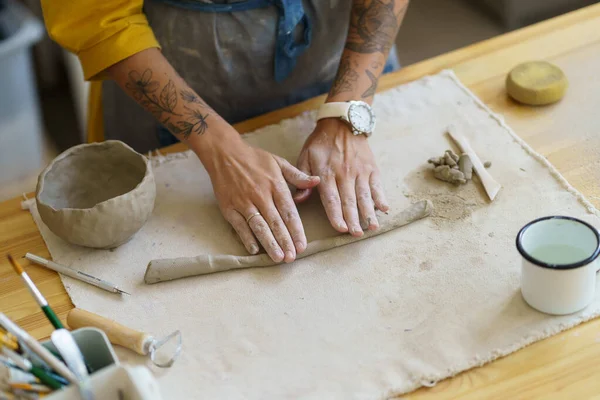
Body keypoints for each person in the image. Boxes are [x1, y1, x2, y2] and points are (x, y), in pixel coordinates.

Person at [41, 0, 409, 263]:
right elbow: (97, 16)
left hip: (336, 52)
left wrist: (348, 112)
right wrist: (222, 151)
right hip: (175, 66)